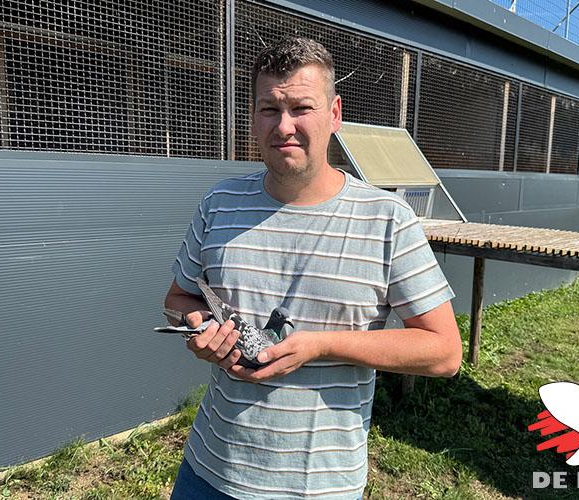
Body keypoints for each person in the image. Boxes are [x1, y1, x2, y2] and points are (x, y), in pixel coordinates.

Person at [165, 36, 462, 499]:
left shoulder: (387, 219)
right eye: (269, 109)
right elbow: (177, 299)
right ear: (253, 117)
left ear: (334, 113)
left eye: (302, 107)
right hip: (208, 471)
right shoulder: (218, 204)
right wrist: (203, 330)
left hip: (319, 485)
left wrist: (320, 346)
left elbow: (443, 352)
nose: (284, 126)